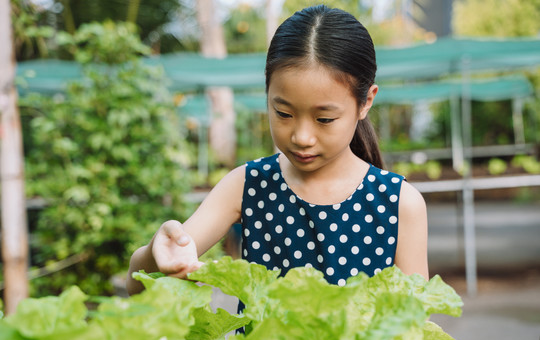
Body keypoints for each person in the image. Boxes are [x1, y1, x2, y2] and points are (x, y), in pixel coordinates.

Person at [126, 4, 428, 295]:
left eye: (324, 119)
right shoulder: (247, 184)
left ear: (366, 102)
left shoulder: (399, 204)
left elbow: (416, 329)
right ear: (268, 92)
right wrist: (157, 253)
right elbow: (138, 285)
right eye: (283, 113)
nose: (302, 137)